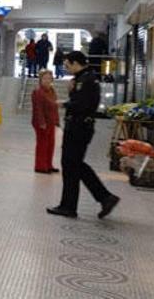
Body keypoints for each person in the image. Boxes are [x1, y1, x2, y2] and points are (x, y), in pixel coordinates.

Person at [47, 51, 120, 219]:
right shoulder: (83, 78)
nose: (66, 69)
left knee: (72, 165)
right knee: (73, 165)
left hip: (79, 128)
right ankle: (99, 198)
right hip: (77, 127)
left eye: (67, 65)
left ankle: (75, 205)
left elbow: (82, 104)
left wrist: (64, 103)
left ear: (75, 63)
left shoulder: (87, 80)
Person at [32, 69, 60, 174]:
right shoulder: (37, 92)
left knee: (51, 143)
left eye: (49, 78)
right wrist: (41, 122)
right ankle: (40, 166)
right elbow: (38, 109)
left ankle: (49, 164)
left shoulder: (52, 90)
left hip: (51, 121)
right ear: (40, 79)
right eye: (45, 78)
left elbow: (55, 106)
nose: (47, 80)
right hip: (41, 123)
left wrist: (56, 120)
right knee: (42, 144)